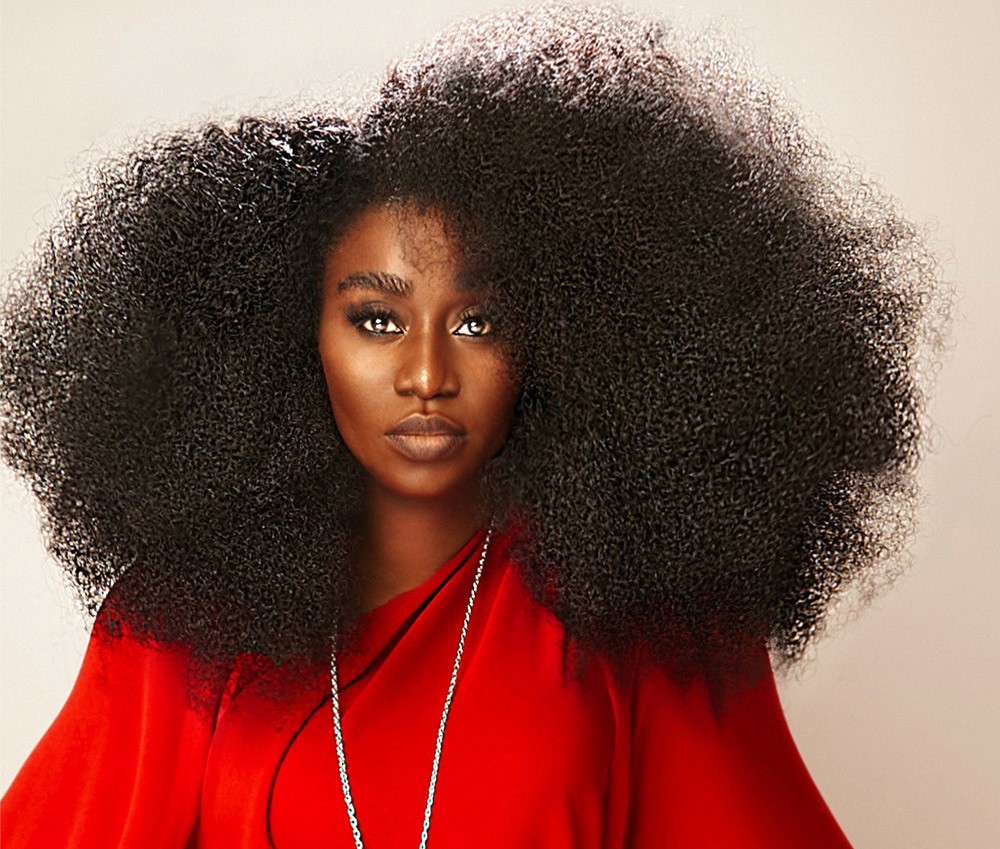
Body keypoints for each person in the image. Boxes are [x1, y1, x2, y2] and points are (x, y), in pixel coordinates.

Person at [0, 4, 950, 847]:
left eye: (479, 321)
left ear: (565, 340)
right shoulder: (183, 621)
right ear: (290, 337)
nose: (425, 374)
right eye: (376, 319)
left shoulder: (639, 605)